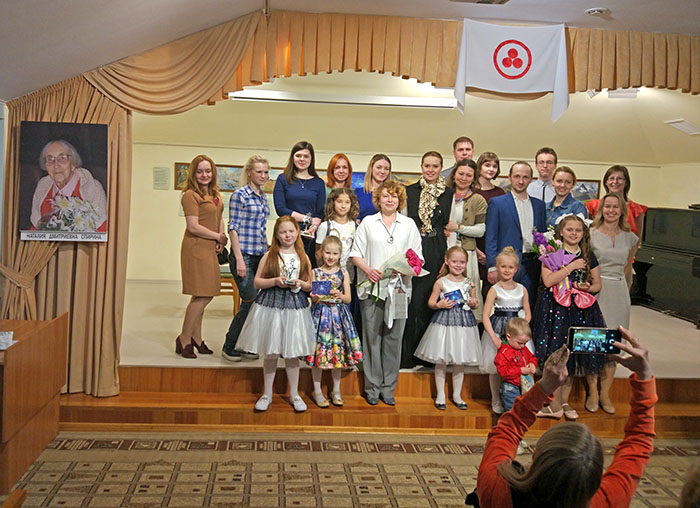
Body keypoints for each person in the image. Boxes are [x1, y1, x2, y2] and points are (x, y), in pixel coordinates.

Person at [475, 327, 657, 508]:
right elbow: (638, 443)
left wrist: (544, 387)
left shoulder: (497, 489)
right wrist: (644, 376)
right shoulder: (607, 501)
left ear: (536, 457)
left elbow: (507, 430)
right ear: (595, 481)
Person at [349, 180, 423, 406]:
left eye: (394, 196)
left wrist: (404, 269)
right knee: (372, 338)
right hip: (371, 289)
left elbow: (417, 258)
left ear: (400, 200)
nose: (390, 200)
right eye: (385, 196)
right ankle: (372, 387)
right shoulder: (368, 223)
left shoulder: (409, 224)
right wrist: (368, 270)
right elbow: (355, 254)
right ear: (378, 200)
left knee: (393, 339)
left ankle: (388, 387)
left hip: (399, 289)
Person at [235, 216, 316, 412]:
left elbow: (310, 284)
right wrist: (274, 281)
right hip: (271, 305)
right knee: (271, 352)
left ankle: (294, 394)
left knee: (292, 352)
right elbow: (257, 282)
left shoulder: (303, 257)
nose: (287, 235)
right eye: (283, 232)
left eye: (291, 231)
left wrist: (300, 283)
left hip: (294, 307)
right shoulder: (269, 255)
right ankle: (267, 394)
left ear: (297, 232)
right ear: (277, 235)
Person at [533, 214, 606, 420]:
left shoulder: (588, 255)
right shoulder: (551, 252)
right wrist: (571, 266)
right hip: (555, 309)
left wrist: (587, 287)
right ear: (561, 232)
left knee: (573, 355)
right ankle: (552, 402)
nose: (574, 233)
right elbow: (548, 281)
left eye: (578, 230)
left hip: (580, 309)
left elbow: (597, 284)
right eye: (569, 229)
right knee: (556, 353)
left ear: (583, 233)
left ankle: (564, 402)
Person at [402, 151, 454, 368]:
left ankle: (426, 357)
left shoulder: (448, 193)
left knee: (430, 301)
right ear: (421, 167)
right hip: (415, 247)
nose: (431, 170)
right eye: (427, 166)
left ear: (441, 168)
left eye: (435, 166)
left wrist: (447, 257)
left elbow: (449, 226)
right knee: (413, 303)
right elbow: (405, 223)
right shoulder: (410, 191)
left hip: (437, 248)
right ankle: (407, 356)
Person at [588, 193, 639, 414]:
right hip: (598, 289)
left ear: (622, 211)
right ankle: (592, 392)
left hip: (619, 291)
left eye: (615, 207)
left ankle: (605, 393)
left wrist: (623, 289)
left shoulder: (631, 238)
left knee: (614, 343)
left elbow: (627, 267)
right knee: (594, 341)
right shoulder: (590, 234)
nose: (611, 210)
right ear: (601, 209)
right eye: (607, 206)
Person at [414, 246, 481, 411]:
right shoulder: (441, 282)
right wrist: (439, 304)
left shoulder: (469, 282)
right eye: (455, 261)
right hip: (444, 323)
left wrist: (474, 303)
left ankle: (457, 395)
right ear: (447, 261)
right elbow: (431, 302)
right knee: (441, 360)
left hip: (464, 324)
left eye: (462, 262)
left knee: (459, 361)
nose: (458, 265)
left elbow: (474, 301)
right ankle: (440, 395)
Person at [176, 155, 227, 359]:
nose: (204, 175)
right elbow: (193, 226)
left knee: (200, 294)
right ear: (193, 173)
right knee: (205, 294)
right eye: (199, 171)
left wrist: (221, 237)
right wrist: (217, 236)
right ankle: (184, 338)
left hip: (211, 247)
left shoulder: (215, 194)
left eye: (207, 171)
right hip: (196, 247)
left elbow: (219, 217)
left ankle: (196, 338)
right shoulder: (190, 195)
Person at [222, 155, 270, 363]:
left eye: (266, 172)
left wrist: (267, 252)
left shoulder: (262, 197)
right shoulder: (239, 195)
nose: (263, 175)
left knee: (255, 305)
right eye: (259, 171)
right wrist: (239, 258)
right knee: (249, 301)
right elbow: (233, 228)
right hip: (244, 256)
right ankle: (229, 345)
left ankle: (244, 344)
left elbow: (261, 228)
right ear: (249, 172)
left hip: (260, 255)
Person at [306, 236, 363, 408]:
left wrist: (340, 295)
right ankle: (317, 391)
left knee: (337, 353)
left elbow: (348, 298)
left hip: (338, 317)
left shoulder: (343, 273)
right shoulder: (315, 272)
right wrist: (315, 295)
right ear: (321, 252)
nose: (331, 257)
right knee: (318, 353)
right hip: (320, 317)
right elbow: (314, 298)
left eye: (335, 254)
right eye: (327, 253)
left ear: (340, 255)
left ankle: (336, 391)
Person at [485, 161, 546, 305]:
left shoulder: (539, 205)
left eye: (525, 177)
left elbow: (543, 237)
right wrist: (492, 267)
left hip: (533, 264)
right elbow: (491, 237)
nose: (521, 181)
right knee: (506, 304)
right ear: (510, 177)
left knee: (529, 305)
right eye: (517, 176)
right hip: (507, 263)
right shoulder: (497, 203)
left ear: (531, 179)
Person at [480, 247, 532, 414]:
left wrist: (521, 329)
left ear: (516, 269)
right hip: (499, 330)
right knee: (495, 367)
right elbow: (485, 315)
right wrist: (493, 337)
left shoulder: (522, 289)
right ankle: (495, 398)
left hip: (517, 331)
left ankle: (521, 398)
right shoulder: (494, 289)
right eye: (503, 267)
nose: (507, 270)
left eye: (510, 267)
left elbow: (528, 313)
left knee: (520, 365)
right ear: (497, 268)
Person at [30, 139, 108, 231]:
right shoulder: (42, 187)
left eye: (62, 158)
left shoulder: (92, 187)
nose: (56, 165)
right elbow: (35, 228)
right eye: (50, 159)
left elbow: (102, 229)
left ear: (73, 164)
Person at [315, 188, 361, 339]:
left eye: (347, 202)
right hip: (326, 277)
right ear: (332, 203)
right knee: (323, 315)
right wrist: (323, 277)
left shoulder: (355, 226)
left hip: (348, 277)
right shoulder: (325, 226)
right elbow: (318, 253)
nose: (343, 205)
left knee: (343, 316)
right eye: (339, 201)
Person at [444, 159, 487, 320]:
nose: (464, 178)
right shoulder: (444, 195)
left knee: (467, 292)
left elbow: (481, 230)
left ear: (474, 178)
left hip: (467, 253)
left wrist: (459, 228)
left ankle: (467, 325)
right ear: (454, 175)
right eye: (461, 174)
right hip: (445, 251)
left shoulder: (478, 199)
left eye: (469, 175)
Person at [273, 141, 326, 262]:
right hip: (287, 234)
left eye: (306, 156)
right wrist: (306, 219)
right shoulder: (283, 179)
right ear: (292, 157)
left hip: (310, 235)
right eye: (298, 156)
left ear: (311, 159)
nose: (302, 159)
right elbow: (280, 209)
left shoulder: (318, 183)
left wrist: (313, 226)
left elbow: (320, 212)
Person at [494, 317, 537, 454]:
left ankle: (517, 437)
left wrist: (532, 364)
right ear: (509, 336)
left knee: (521, 415)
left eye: (525, 343)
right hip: (510, 388)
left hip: (523, 387)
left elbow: (531, 357)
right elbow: (503, 371)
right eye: (520, 343)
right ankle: (510, 441)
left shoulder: (523, 349)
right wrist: (520, 370)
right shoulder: (504, 352)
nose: (523, 346)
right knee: (511, 415)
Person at [473, 152, 506, 302]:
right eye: (487, 165)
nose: (491, 169)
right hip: (473, 247)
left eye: (494, 166)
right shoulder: (471, 191)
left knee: (489, 295)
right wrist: (476, 251)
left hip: (493, 250)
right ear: (479, 167)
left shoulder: (500, 193)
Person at [585, 165, 647, 237]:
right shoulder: (592, 206)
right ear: (606, 182)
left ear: (626, 182)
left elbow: (637, 239)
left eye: (620, 178)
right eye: (611, 178)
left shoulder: (636, 209)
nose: (615, 181)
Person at [354, 154, 392, 221]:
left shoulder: (392, 194)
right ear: (371, 168)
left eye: (386, 169)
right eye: (379, 167)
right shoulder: (358, 193)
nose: (382, 171)